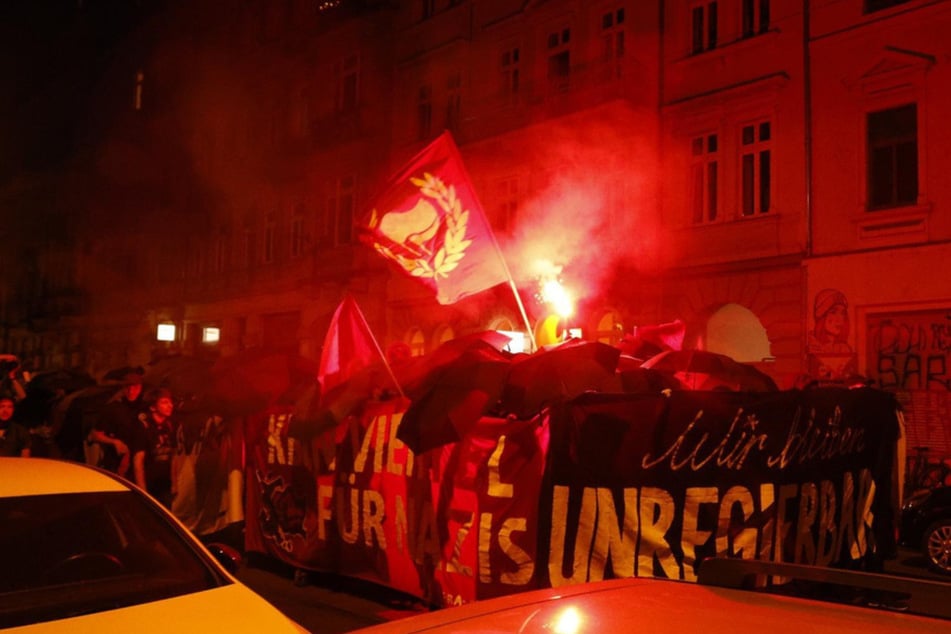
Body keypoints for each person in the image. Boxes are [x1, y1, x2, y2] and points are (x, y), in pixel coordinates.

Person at [88, 370, 146, 478]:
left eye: (135, 387)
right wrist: (115, 442)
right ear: (122, 388)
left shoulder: (144, 407)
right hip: (117, 464)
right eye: (127, 387)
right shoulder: (113, 408)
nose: (131, 391)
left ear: (140, 388)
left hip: (141, 464)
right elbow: (95, 434)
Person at [135, 387, 178, 507]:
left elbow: (173, 457)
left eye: (170, 402)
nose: (170, 406)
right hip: (150, 486)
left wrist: (174, 483)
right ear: (153, 407)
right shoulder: (144, 428)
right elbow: (138, 460)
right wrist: (142, 489)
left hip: (165, 485)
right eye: (164, 402)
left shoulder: (169, 426)